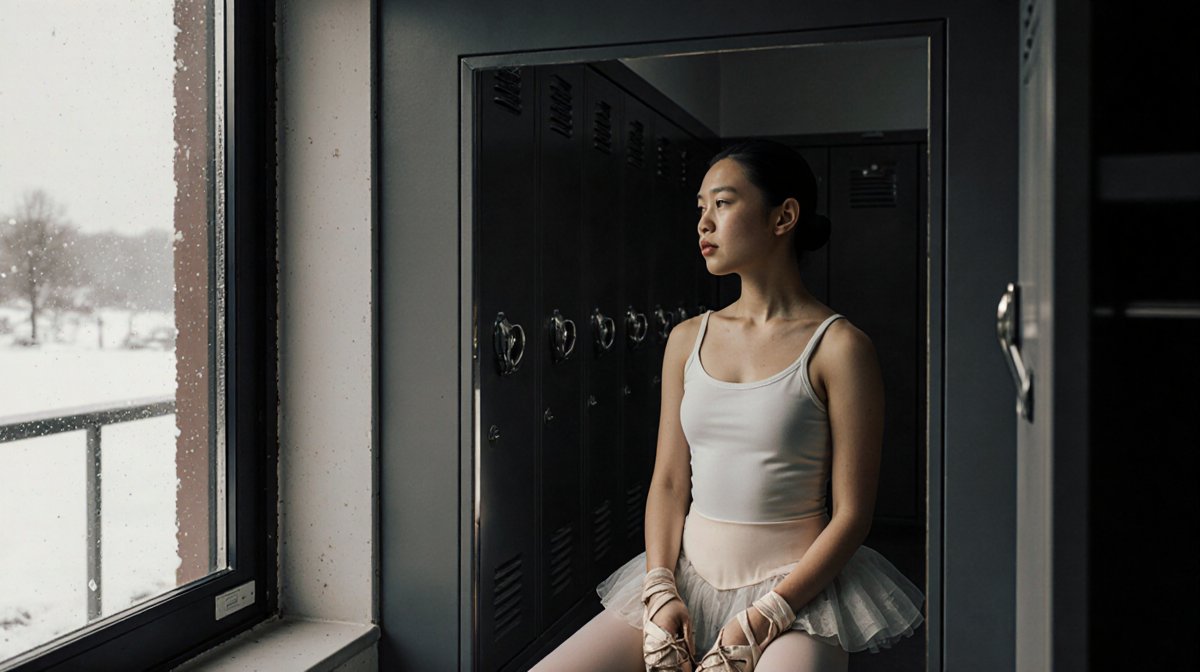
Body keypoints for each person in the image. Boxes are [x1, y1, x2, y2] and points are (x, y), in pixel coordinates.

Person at [531, 139, 924, 672]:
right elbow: (670, 482)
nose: (703, 224)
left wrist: (766, 614)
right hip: (685, 579)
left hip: (795, 596)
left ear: (783, 217)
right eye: (700, 208)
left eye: (722, 203)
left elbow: (853, 515)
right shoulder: (686, 338)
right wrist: (658, 588)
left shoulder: (840, 346)